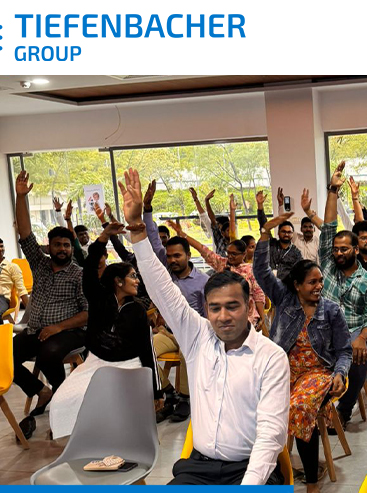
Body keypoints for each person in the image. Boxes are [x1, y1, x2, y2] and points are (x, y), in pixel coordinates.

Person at [120, 167, 290, 493]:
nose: (223, 316)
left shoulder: (271, 357)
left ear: (249, 306)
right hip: (198, 470)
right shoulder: (197, 338)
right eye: (214, 307)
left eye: (232, 306)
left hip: (251, 474)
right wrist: (139, 229)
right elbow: (161, 288)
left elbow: (271, 435)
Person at [254, 232, 351, 493]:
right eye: (313, 282)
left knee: (299, 406)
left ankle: (311, 484)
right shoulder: (285, 300)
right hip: (283, 372)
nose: (319, 286)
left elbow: (344, 350)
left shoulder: (331, 311)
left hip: (319, 375)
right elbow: (260, 271)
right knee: (251, 404)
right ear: (296, 285)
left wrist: (340, 374)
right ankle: (265, 473)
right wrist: (263, 236)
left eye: (320, 281)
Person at [48, 222, 156, 439]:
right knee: (63, 399)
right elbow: (88, 269)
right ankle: (80, 438)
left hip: (129, 365)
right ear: (118, 281)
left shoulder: (136, 310)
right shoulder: (98, 299)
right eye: (132, 276)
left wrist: (156, 389)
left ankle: (112, 437)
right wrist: (104, 236)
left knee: (109, 399)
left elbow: (147, 349)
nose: (137, 280)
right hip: (97, 362)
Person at [302, 162, 367, 428]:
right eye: (336, 249)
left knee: (359, 355)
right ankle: (312, 403)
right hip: (322, 331)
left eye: (344, 249)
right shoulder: (326, 265)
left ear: (356, 250)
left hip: (352, 333)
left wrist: (362, 338)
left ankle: (343, 410)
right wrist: (333, 190)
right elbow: (329, 227)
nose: (338, 253)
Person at [12, 171, 88, 417]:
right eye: (58, 245)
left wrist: (58, 327)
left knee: (49, 353)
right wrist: (20, 196)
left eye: (67, 245)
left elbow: (88, 313)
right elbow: (24, 233)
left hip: (70, 333)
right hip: (35, 331)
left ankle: (62, 396)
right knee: (4, 357)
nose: (63, 249)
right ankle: (41, 391)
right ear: (50, 246)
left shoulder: (78, 274)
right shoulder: (40, 264)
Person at [143, 180, 211, 422]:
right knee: (144, 347)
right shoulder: (166, 273)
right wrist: (147, 209)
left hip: (192, 332)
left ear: (188, 255)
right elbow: (151, 240)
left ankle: (185, 398)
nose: (171, 260)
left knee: (186, 351)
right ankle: (166, 392)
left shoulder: (202, 281)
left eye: (177, 255)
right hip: (168, 331)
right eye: (168, 256)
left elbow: (207, 314)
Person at [168, 220, 266, 329]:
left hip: (247, 315)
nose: (230, 257)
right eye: (228, 253)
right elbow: (202, 249)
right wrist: (183, 235)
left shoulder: (251, 270)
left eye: (234, 254)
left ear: (243, 254)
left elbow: (258, 295)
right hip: (224, 312)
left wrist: (263, 318)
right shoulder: (222, 264)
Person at [255, 188, 304, 279]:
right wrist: (260, 205)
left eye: (289, 232)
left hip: (285, 287)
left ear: (292, 234)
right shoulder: (271, 244)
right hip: (267, 283)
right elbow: (264, 225)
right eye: (283, 231)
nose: (286, 234)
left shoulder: (296, 252)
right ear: (278, 232)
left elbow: (300, 272)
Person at [190, 186, 230, 257]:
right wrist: (196, 199)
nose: (217, 227)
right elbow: (205, 216)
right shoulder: (216, 236)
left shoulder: (234, 239)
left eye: (219, 225)